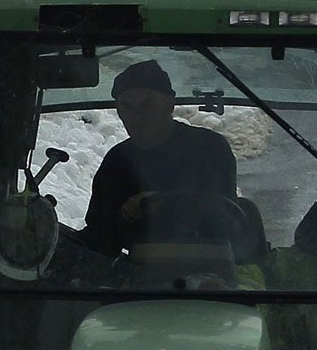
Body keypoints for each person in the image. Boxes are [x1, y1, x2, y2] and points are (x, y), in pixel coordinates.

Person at [82, 58, 237, 255]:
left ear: (170, 103)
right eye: (128, 107)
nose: (138, 116)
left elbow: (225, 216)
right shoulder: (117, 162)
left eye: (148, 103)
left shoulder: (210, 148)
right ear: (119, 112)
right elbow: (99, 238)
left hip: (211, 269)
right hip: (138, 275)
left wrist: (161, 202)